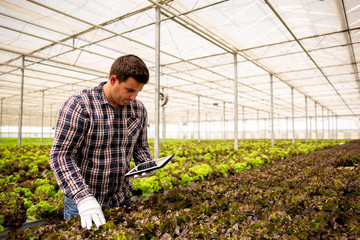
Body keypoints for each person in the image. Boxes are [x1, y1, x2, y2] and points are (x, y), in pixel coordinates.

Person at [49, 54, 154, 229]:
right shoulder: (80, 105)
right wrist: (83, 197)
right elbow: (60, 155)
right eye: (130, 90)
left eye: (138, 92)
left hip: (121, 198)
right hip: (83, 204)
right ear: (113, 80)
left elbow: (140, 145)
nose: (134, 97)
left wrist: (146, 163)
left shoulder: (138, 109)